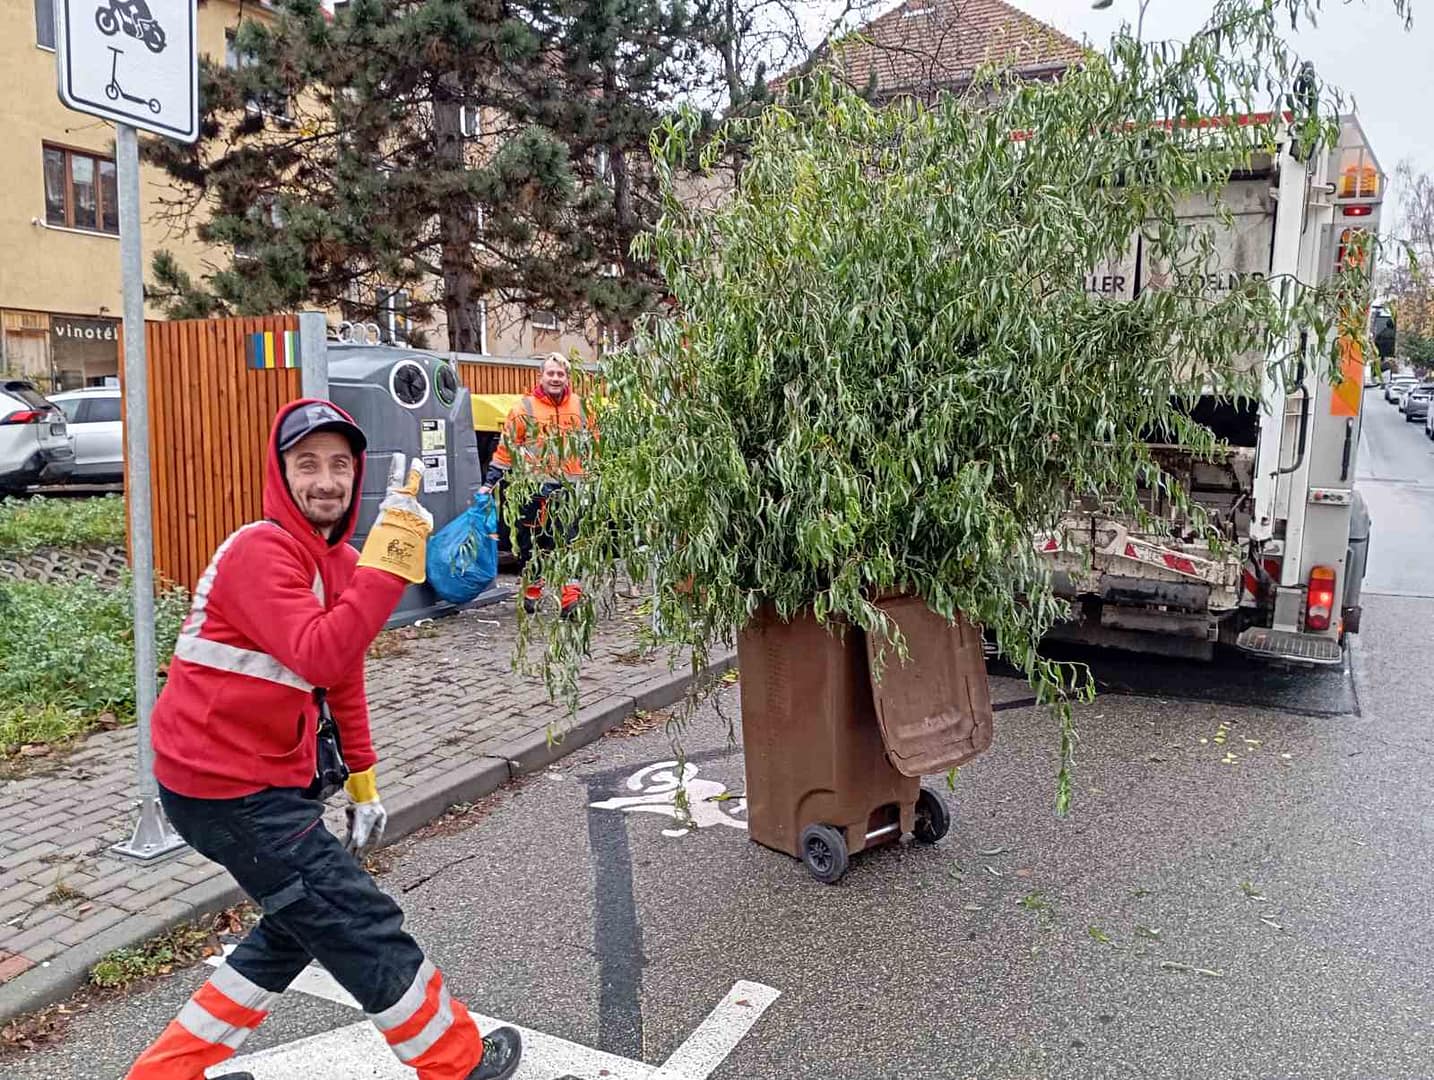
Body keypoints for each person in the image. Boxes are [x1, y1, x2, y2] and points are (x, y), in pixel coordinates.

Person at [125, 399, 521, 1080]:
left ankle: (165, 1075)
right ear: (281, 476)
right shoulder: (260, 551)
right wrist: (391, 557)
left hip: (258, 782)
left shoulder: (332, 560)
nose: (326, 481)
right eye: (307, 465)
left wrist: (363, 780)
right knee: (354, 918)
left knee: (296, 922)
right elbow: (319, 654)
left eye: (340, 465)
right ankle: (457, 1063)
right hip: (226, 792)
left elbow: (343, 679)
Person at [479, 353, 595, 618]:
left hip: (571, 489)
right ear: (540, 376)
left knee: (569, 542)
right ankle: (532, 589)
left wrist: (595, 475)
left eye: (560, 374)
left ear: (567, 378)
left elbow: (594, 443)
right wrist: (489, 483)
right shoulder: (524, 409)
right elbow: (506, 449)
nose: (555, 378)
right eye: (550, 373)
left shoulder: (581, 407)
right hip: (534, 490)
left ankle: (571, 599)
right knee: (531, 543)